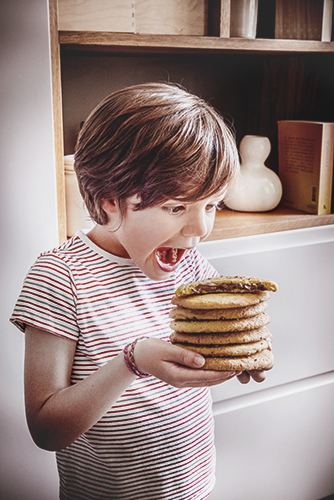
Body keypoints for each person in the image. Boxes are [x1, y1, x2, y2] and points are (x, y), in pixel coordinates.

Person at [10, 82, 271, 500]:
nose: (200, 229)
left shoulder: (190, 265)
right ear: (109, 199)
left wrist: (236, 352)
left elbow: (216, 338)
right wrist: (133, 362)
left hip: (195, 487)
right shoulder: (60, 278)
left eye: (211, 206)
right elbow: (46, 429)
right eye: (176, 207)